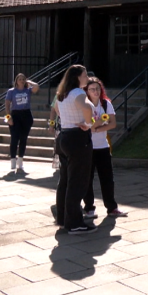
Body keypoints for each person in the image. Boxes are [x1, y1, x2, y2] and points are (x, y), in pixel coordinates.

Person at [54, 64, 96, 235]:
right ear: (77, 77)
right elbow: (87, 108)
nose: (87, 78)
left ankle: (63, 218)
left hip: (64, 136)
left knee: (65, 180)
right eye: (85, 75)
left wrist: (67, 120)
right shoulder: (78, 93)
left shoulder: (62, 94)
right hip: (77, 138)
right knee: (77, 181)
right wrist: (88, 123)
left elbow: (56, 109)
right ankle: (74, 223)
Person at [82, 77, 127, 218]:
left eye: (97, 88)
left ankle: (112, 207)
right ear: (87, 91)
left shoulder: (106, 104)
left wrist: (96, 128)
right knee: (87, 179)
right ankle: (89, 207)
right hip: (88, 147)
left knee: (107, 178)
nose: (95, 91)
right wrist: (100, 122)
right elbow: (87, 125)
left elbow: (113, 124)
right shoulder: (84, 105)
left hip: (102, 146)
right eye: (92, 89)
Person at [4, 73, 40, 173]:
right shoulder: (11, 91)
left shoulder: (27, 90)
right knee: (14, 138)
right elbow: (7, 105)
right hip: (15, 115)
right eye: (19, 79)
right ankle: (12, 160)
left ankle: (20, 161)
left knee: (23, 139)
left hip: (26, 115)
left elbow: (36, 87)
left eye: (23, 79)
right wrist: (8, 118)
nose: (21, 81)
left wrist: (29, 81)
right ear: (16, 81)